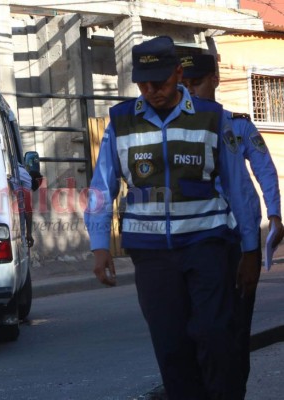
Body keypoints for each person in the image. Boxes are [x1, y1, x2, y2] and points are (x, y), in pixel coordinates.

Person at [85, 36, 261, 399]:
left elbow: (238, 186)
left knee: (215, 336)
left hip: (207, 246)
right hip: (151, 256)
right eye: (143, 84)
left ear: (178, 74)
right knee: (171, 346)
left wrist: (251, 248)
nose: (152, 91)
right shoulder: (121, 121)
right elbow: (103, 186)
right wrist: (99, 245)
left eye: (160, 83)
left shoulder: (212, 119)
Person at [181, 53, 284, 395]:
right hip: (197, 241)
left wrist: (274, 214)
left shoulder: (237, 126)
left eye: (196, 83)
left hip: (240, 240)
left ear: (214, 79)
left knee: (237, 327)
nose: (190, 91)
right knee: (199, 330)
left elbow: (264, 170)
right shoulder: (174, 129)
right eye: (184, 84)